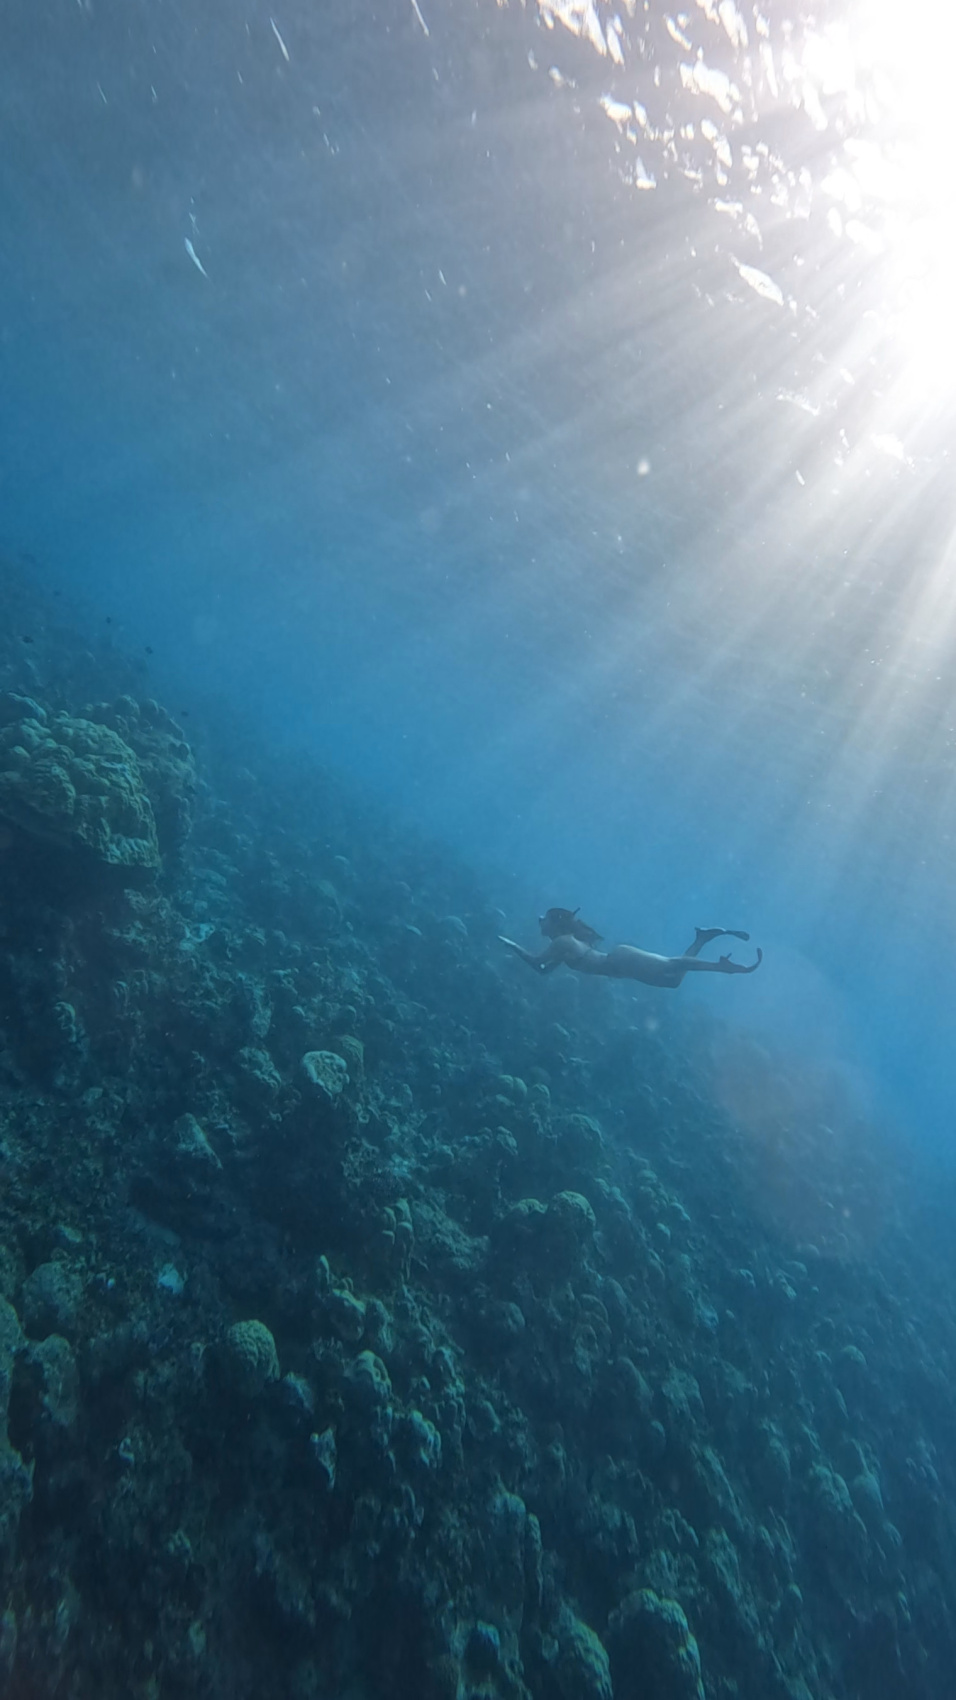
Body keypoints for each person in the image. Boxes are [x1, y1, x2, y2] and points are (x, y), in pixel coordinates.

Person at [499, 906, 762, 989]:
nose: (539, 922)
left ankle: (722, 968)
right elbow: (544, 971)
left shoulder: (561, 942)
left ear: (554, 924)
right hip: (620, 966)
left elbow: (536, 962)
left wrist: (511, 945)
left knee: (672, 965)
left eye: (542, 919)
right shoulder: (562, 944)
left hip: (620, 961)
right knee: (674, 982)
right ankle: (702, 939)